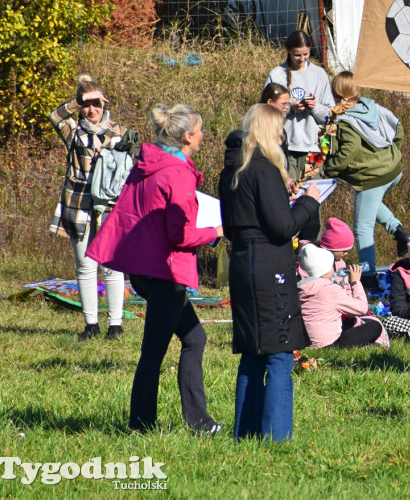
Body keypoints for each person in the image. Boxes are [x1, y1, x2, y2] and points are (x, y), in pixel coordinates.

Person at [86, 104, 223, 434]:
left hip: (144, 269)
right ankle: (141, 425)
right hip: (166, 272)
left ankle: (198, 419)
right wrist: (218, 232)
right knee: (153, 354)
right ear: (188, 136)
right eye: (200, 130)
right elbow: (181, 235)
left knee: (195, 339)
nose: (204, 135)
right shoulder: (178, 173)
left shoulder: (147, 164)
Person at [219, 104, 322, 442]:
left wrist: (283, 198)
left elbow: (236, 225)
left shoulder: (232, 170)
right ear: (268, 133)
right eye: (280, 131)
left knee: (252, 354)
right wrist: (309, 202)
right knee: (278, 353)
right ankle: (276, 437)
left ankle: (245, 435)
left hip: (241, 263)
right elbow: (283, 227)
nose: (283, 137)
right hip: (269, 269)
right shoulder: (264, 170)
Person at [49, 74, 129, 341]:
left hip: (109, 206)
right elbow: (55, 116)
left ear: (105, 103)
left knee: (112, 266)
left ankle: (115, 326)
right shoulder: (73, 130)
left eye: (96, 103)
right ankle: (90, 325)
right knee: (85, 265)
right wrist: (78, 99)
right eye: (86, 105)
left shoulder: (119, 132)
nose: (91, 110)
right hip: (79, 203)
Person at [320, 71, 410, 272]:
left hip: (373, 178)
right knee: (369, 204)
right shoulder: (371, 106)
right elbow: (398, 127)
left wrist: (330, 168)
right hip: (393, 170)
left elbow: (349, 149)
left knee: (362, 228)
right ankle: (399, 232)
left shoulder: (345, 119)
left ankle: (368, 277)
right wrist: (390, 154)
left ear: (336, 94)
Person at [265, 30, 334, 241]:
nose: (302, 59)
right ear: (288, 52)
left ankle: (310, 247)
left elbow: (330, 116)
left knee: (312, 202)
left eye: (306, 54)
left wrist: (315, 108)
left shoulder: (319, 75)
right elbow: (265, 113)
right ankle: (288, 245)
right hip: (286, 148)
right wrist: (290, 109)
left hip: (314, 148)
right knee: (288, 198)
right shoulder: (276, 75)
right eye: (297, 55)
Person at [297, 218, 386, 349]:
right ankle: (375, 345)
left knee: (352, 322)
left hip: (307, 339)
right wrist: (355, 281)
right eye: (344, 250)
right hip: (329, 342)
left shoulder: (301, 286)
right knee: (375, 326)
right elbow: (361, 308)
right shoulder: (331, 289)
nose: (346, 253)